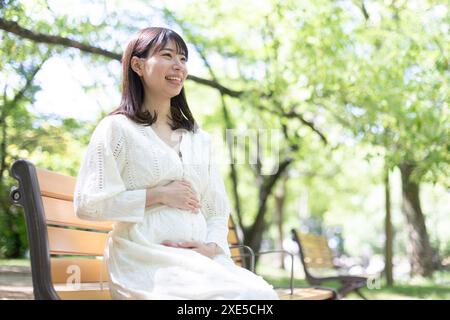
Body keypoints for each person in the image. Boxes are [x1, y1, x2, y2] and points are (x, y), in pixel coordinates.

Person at [73, 27, 279, 300]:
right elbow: (89, 203)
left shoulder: (198, 138)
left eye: (183, 59)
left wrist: (211, 247)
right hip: (145, 258)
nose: (178, 66)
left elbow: (217, 210)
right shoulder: (117, 129)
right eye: (167, 55)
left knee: (260, 296)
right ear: (137, 64)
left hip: (200, 262)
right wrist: (157, 195)